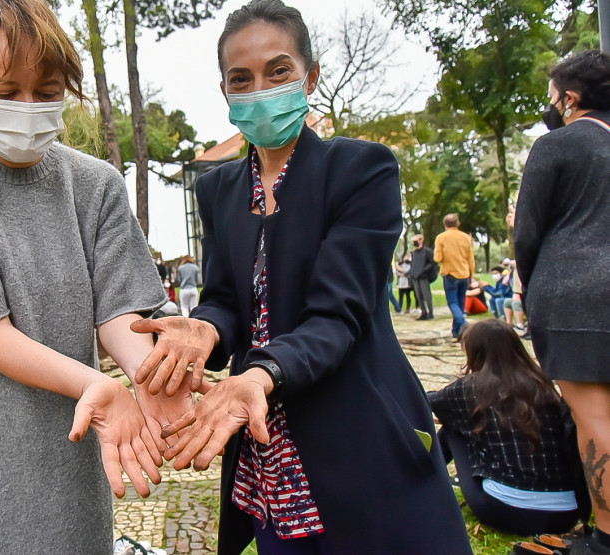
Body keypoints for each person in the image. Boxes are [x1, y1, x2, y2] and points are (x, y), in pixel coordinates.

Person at [129, 1, 471, 552]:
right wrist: (203, 331)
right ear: (225, 92)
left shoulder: (362, 171)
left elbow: (339, 315)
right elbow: (223, 300)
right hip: (270, 456)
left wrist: (259, 376)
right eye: (242, 78)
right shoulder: (216, 191)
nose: (259, 88)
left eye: (278, 70)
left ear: (309, 75)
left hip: (357, 436)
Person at [0, 0, 184, 551]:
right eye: (5, 93)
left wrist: (151, 376)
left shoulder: (96, 184)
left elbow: (118, 310)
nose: (27, 107)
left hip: (76, 447)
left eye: (47, 93)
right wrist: (96, 383)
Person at [515, 49, 610, 554]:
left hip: (578, 294)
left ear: (569, 98)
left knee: (593, 414)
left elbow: (527, 233)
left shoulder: (559, 144)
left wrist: (532, 291)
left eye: (553, 96)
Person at [429, 319, 588, 536]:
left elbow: (426, 400)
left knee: (452, 430)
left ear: (475, 351)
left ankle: (421, 479)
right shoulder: (543, 386)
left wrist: (451, 415)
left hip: (507, 511)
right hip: (566, 514)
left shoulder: (472, 387)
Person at [434, 213, 475, 338]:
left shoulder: (441, 238)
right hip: (464, 273)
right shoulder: (466, 238)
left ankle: (463, 323)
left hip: (450, 273)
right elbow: (471, 258)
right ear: (458, 224)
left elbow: (437, 258)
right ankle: (456, 331)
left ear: (445, 224)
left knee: (452, 302)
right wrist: (471, 275)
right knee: (460, 302)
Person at [409, 233, 435, 320]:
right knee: (419, 295)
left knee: (427, 295)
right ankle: (423, 311)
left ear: (421, 240)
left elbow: (431, 263)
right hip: (415, 277)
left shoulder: (427, 251)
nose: (414, 243)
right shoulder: (414, 253)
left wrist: (423, 271)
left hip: (424, 277)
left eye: (416, 241)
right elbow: (413, 264)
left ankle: (430, 312)